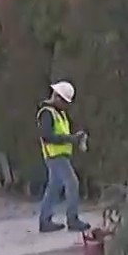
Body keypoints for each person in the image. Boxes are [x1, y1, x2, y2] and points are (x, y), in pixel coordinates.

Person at [37, 80, 90, 233]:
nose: (67, 105)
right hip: (55, 155)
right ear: (57, 97)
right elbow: (47, 136)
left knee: (54, 187)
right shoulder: (47, 113)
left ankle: (45, 220)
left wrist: (74, 137)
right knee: (72, 183)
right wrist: (70, 139)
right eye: (65, 101)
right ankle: (72, 219)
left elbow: (61, 133)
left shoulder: (58, 113)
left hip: (59, 155)